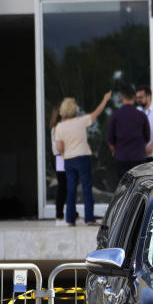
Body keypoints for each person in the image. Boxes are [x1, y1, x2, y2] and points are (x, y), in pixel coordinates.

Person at [54, 91, 111, 226]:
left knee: (71, 190)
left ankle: (70, 220)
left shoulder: (59, 127)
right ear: (74, 109)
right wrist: (105, 99)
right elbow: (96, 112)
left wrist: (64, 155)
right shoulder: (80, 121)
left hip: (68, 159)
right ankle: (89, 218)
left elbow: (59, 146)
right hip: (82, 157)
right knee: (86, 188)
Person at [106, 85, 150, 180]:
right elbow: (147, 138)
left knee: (123, 189)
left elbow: (110, 140)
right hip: (139, 158)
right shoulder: (141, 115)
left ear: (122, 97)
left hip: (122, 158)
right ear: (134, 97)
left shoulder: (115, 116)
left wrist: (115, 152)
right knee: (139, 187)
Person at [50, 107, 68, 226]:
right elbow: (59, 146)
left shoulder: (55, 128)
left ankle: (68, 213)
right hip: (60, 158)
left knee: (65, 187)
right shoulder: (58, 128)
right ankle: (59, 214)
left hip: (60, 158)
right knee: (63, 187)